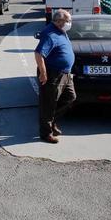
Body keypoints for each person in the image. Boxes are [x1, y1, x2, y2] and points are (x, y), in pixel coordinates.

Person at [33, 9, 76, 144]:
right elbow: (39, 53)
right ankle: (46, 133)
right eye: (67, 21)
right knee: (48, 104)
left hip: (65, 73)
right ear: (59, 21)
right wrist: (43, 73)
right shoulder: (50, 34)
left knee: (70, 97)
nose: (69, 23)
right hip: (52, 74)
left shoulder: (60, 30)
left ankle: (51, 122)